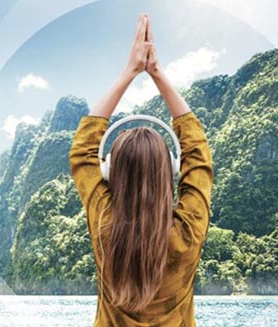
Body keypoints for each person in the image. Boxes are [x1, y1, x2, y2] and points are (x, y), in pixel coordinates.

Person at [69, 13, 214, 326]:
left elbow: (82, 149)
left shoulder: (104, 224)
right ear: (172, 171)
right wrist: (157, 73)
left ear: (110, 174)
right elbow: (198, 152)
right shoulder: (187, 232)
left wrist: (129, 72)